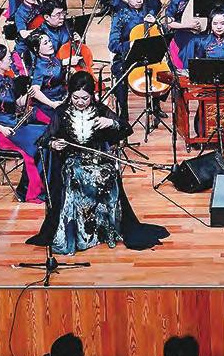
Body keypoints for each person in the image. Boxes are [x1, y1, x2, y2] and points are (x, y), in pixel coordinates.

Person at [28, 72, 169, 253]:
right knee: (75, 174)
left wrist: (110, 123)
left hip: (98, 160)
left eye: (85, 98)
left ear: (92, 95)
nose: (80, 102)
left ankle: (105, 229)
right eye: (76, 98)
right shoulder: (61, 112)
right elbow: (44, 140)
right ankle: (79, 233)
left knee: (108, 174)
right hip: (73, 161)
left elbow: (126, 128)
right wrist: (54, 144)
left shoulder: (100, 110)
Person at [0, 44, 45, 202]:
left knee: (46, 132)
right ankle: (30, 191)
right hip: (2, 133)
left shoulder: (7, 80)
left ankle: (45, 183)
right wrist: (2, 129)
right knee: (36, 145)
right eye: (8, 58)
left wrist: (29, 94)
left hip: (15, 126)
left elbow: (18, 104)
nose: (11, 60)